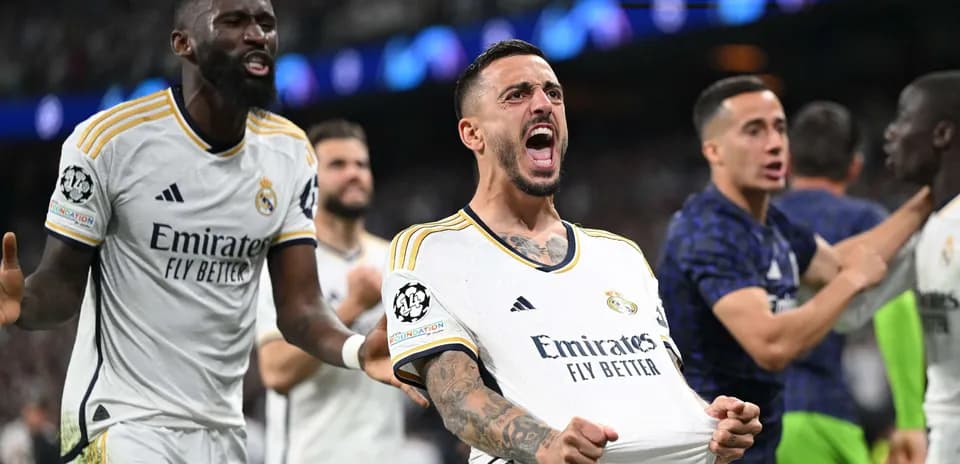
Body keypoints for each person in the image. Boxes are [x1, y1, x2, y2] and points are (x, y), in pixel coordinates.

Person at [0, 1, 421, 461]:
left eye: (266, 23)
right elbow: (61, 285)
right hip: (122, 424)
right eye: (234, 22)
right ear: (184, 43)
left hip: (222, 430)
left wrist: (356, 350)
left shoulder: (289, 153)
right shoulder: (108, 143)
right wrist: (23, 304)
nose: (257, 35)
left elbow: (300, 308)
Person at [383, 39, 761, 464]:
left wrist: (712, 422)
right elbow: (458, 400)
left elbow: (665, 386)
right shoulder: (431, 251)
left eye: (553, 93)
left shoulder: (621, 255)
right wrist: (545, 444)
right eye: (517, 95)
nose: (543, 104)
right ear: (473, 133)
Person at [655, 75, 931, 463]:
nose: (773, 143)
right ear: (713, 150)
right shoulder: (707, 229)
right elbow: (771, 344)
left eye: (779, 128)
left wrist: (927, 199)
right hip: (708, 449)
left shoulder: (771, 225)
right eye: (754, 131)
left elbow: (840, 264)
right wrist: (852, 281)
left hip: (760, 443)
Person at [771, 101, 926, 464]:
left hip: (742, 425)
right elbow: (895, 310)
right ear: (855, 166)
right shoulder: (868, 223)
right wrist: (910, 421)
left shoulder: (757, 221)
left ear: (788, 161)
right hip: (820, 417)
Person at [256, 119, 407, 463]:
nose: (353, 174)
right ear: (308, 178)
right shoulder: (284, 262)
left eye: (361, 164)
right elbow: (276, 372)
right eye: (338, 165)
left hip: (386, 454)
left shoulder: (395, 260)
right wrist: (353, 305)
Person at [846, 70, 960, 464]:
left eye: (904, 117)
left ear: (942, 134)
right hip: (942, 437)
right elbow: (847, 307)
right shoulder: (926, 231)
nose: (890, 133)